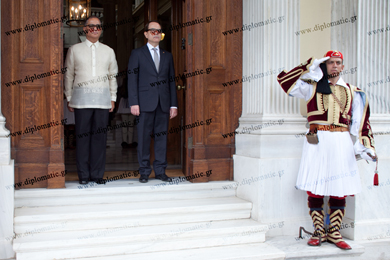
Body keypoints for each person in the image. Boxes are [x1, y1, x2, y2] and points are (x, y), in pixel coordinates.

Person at [277, 50, 377, 250]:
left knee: (339, 186)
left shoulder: (353, 91)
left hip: (341, 140)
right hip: (318, 140)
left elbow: (361, 123)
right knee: (315, 184)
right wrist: (309, 65)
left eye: (338, 62)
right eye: (330, 62)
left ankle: (334, 232)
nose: (334, 66)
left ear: (342, 66)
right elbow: (284, 81)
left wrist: (366, 146)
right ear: (325, 65)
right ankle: (318, 230)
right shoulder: (311, 88)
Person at [64, 16, 118, 185]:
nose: (95, 29)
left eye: (98, 26)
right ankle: (84, 176)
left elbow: (112, 77)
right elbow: (68, 75)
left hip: (103, 101)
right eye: (92, 26)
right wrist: (69, 97)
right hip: (81, 101)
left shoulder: (109, 51)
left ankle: (97, 175)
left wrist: (113, 97)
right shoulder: (74, 49)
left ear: (101, 29)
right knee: (82, 138)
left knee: (99, 139)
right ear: (85, 29)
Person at [127, 20, 178, 183]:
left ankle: (161, 171)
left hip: (163, 104)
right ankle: (144, 171)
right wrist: (133, 102)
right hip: (143, 103)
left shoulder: (167, 56)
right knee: (143, 138)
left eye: (159, 31)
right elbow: (132, 79)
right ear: (146, 34)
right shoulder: (137, 54)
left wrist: (173, 104)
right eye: (153, 31)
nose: (156, 34)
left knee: (162, 138)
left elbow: (171, 81)